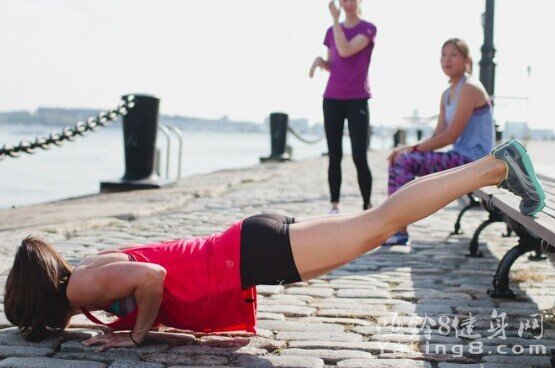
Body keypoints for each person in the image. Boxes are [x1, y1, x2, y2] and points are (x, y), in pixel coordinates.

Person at [4, 140, 545, 352]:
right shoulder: (83, 276)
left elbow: (153, 279)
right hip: (248, 247)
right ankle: (493, 169)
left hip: (247, 252)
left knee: (378, 224)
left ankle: (496, 166)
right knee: (372, 228)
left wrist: (135, 338)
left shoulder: (81, 284)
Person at [384, 38, 495, 246]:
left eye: (454, 54)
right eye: (443, 54)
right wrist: (406, 150)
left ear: (466, 60)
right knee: (401, 159)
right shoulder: (447, 95)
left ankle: (397, 226)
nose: (447, 59)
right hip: (459, 158)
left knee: (403, 160)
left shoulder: (470, 88)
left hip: (474, 162)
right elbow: (438, 137)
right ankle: (396, 223)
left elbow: (450, 136)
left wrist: (409, 149)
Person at [309, 0, 377, 213]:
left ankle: (367, 204)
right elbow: (335, 63)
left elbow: (346, 51)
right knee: (334, 155)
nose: (347, 3)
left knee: (359, 155)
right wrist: (321, 61)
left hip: (357, 97)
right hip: (332, 98)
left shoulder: (367, 28)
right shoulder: (332, 31)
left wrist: (335, 20)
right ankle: (334, 205)